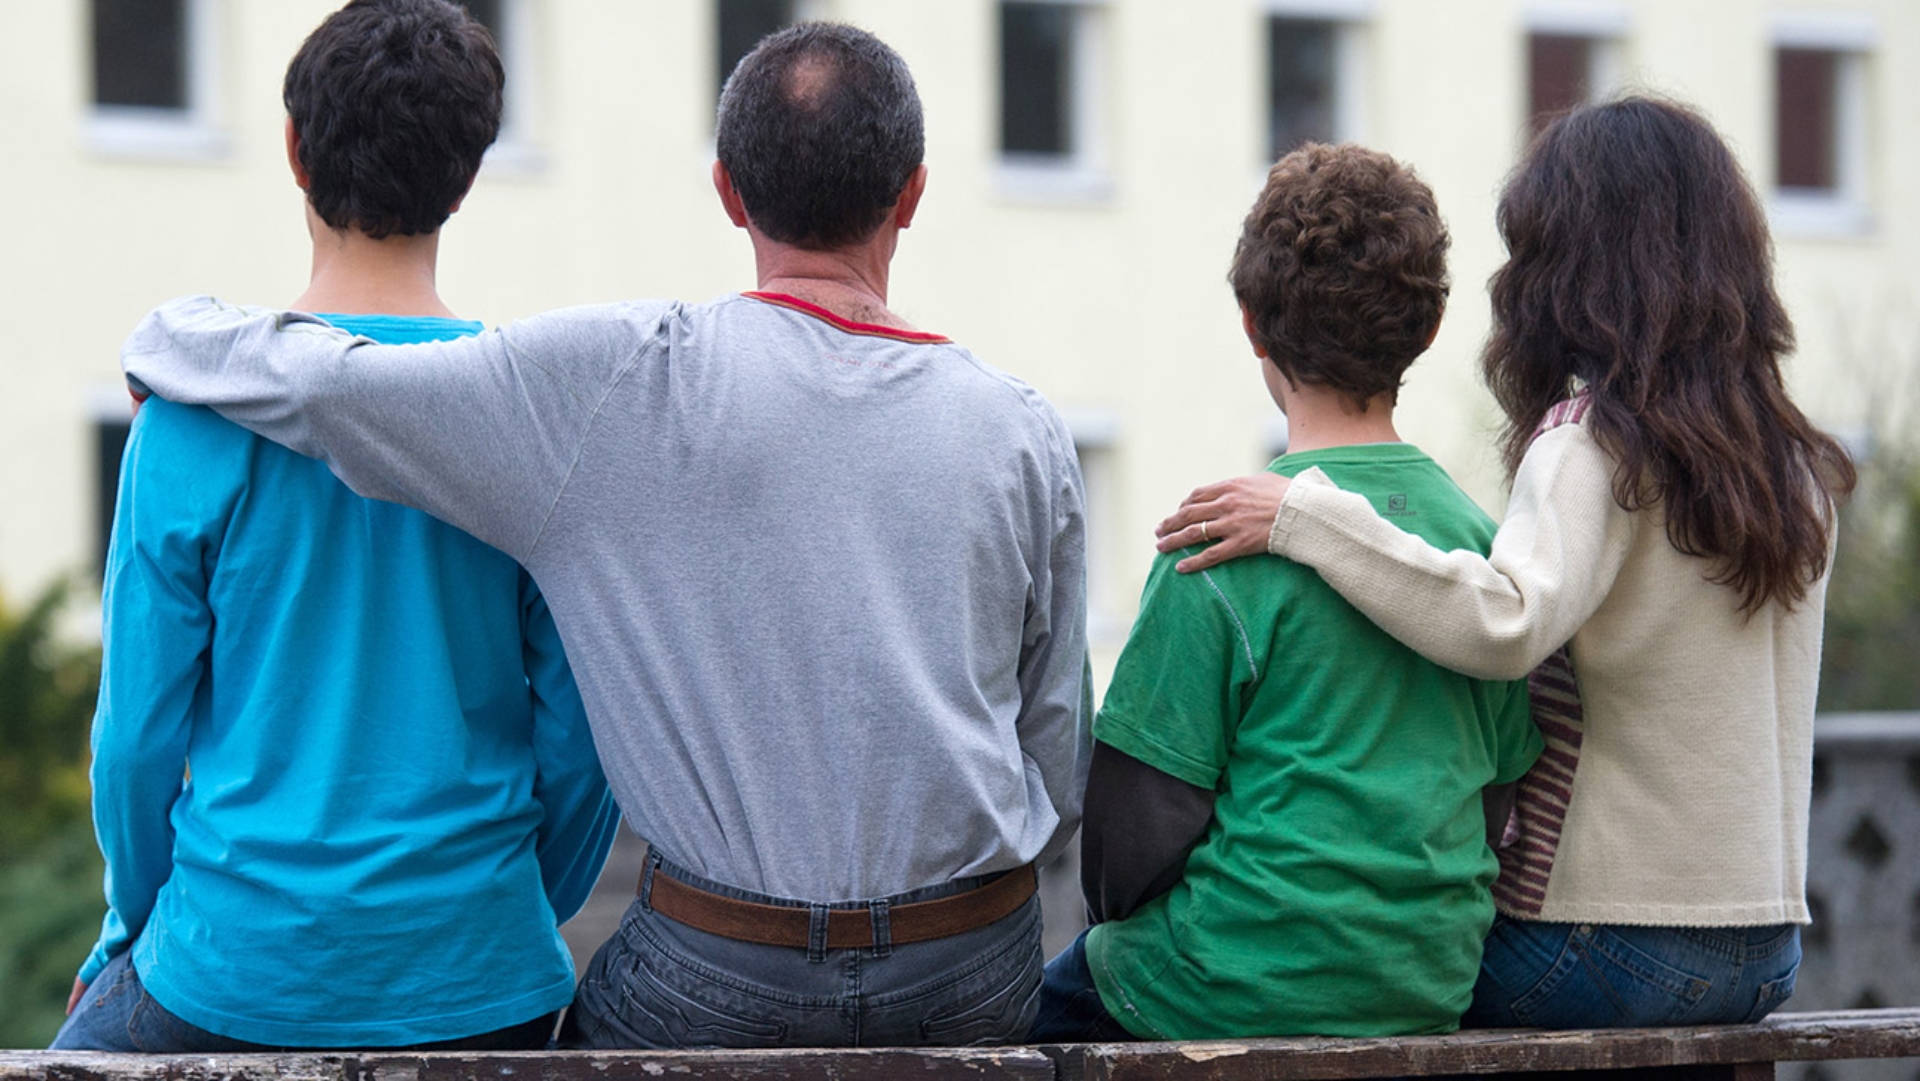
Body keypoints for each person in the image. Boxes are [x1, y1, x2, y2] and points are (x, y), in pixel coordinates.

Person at [119, 21, 1089, 1049]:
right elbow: (1057, 756)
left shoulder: (620, 383)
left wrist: (171, 336)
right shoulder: (1022, 429)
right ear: (914, 195)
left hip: (723, 969)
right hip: (969, 963)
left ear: (727, 191)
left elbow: (334, 385)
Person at [1154, 97, 1854, 1028]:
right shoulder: (1792, 465)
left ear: (1572, 268)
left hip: (1604, 938)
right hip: (1765, 949)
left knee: (1376, 973)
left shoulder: (1596, 443)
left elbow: (1504, 621)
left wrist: (1306, 516)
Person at [54, 0, 618, 1053]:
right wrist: (500, 919)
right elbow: (585, 745)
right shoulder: (533, 427)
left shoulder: (189, 420)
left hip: (232, 967)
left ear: (293, 151)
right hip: (483, 973)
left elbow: (135, 742)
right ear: (467, 177)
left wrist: (132, 924)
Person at [1027, 143, 1541, 1042]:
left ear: (1252, 325)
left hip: (1219, 985)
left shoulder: (1217, 542)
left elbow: (1122, 854)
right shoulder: (1480, 551)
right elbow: (1497, 799)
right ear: (1430, 328)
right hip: (1425, 988)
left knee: (1013, 1017)